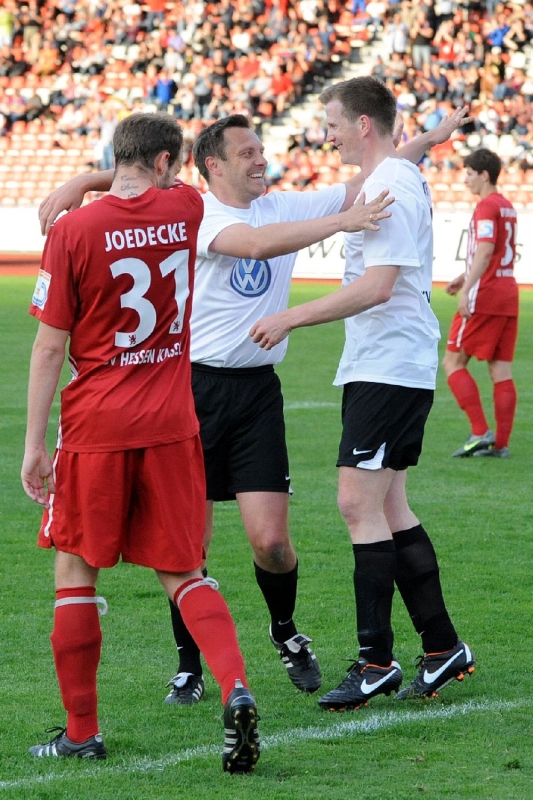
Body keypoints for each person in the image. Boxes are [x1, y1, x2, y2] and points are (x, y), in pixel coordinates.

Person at [38, 108, 470, 710]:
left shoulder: (281, 203)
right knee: (189, 547)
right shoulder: (197, 212)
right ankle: (189, 665)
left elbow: (371, 172)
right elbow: (258, 246)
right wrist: (84, 181)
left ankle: (285, 632)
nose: (262, 159)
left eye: (261, 150)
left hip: (257, 393)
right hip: (191, 389)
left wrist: (427, 139)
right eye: (248, 153)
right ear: (212, 166)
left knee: (272, 544)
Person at [22, 112, 260, 774]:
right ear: (164, 163)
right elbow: (158, 183)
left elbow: (49, 347)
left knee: (75, 570)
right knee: (184, 572)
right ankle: (235, 686)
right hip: (172, 424)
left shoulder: (73, 230)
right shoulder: (185, 209)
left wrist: (35, 444)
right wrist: (96, 178)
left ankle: (82, 733)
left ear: (118, 155)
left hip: (96, 427)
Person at [250, 76, 476, 710]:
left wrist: (291, 316)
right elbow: (400, 159)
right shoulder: (394, 172)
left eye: (333, 124)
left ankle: (376, 659)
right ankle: (443, 647)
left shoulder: (389, 183)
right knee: (389, 507)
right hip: (385, 363)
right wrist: (432, 137)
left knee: (356, 504)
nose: (327, 135)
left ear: (363, 125)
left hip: (390, 364)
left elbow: (378, 286)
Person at [442, 148, 518, 459]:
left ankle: (479, 431)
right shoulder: (507, 206)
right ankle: (500, 444)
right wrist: (464, 276)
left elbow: (485, 250)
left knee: (452, 362)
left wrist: (467, 289)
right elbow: (495, 252)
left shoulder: (487, 206)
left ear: (484, 175)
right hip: (507, 293)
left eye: (470, 174)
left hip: (485, 294)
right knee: (500, 369)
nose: (466, 180)